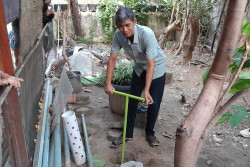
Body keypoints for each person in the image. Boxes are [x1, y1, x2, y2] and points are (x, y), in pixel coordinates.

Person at [105, 7, 166, 147]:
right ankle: (127, 134)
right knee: (132, 100)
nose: (124, 29)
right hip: (139, 67)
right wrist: (108, 83)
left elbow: (151, 65)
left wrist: (147, 90)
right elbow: (112, 59)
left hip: (156, 67)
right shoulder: (118, 35)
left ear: (135, 22)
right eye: (120, 26)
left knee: (153, 102)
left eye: (127, 25)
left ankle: (150, 133)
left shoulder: (147, 34)